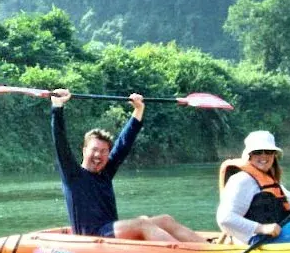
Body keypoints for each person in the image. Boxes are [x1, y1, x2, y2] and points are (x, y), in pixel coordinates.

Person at [50, 88, 205, 242]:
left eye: (104, 151)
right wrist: (57, 107)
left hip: (111, 231)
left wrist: (139, 109)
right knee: (143, 224)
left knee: (165, 220)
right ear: (84, 151)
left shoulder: (105, 173)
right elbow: (60, 142)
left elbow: (124, 143)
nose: (98, 155)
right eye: (94, 150)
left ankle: (206, 248)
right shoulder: (72, 175)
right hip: (93, 236)